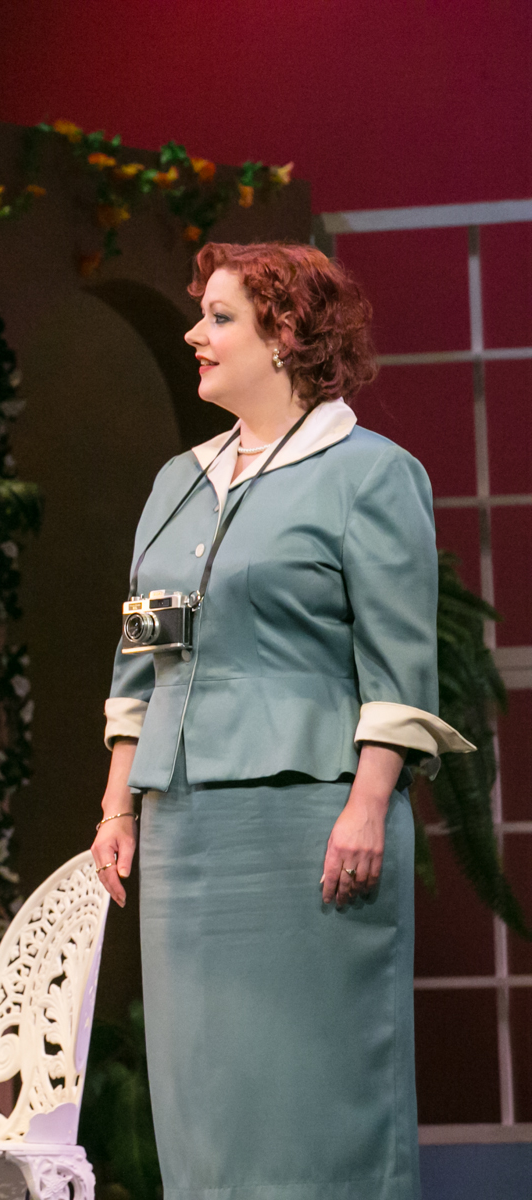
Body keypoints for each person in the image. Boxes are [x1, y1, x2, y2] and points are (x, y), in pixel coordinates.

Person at [90, 242, 472, 1199]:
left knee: (314, 1085)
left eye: (219, 317)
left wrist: (368, 804)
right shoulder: (176, 483)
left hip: (310, 819)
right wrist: (118, 805)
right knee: (203, 1091)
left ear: (288, 335)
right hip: (184, 827)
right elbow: (145, 653)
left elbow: (398, 665)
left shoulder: (369, 473)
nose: (196, 333)